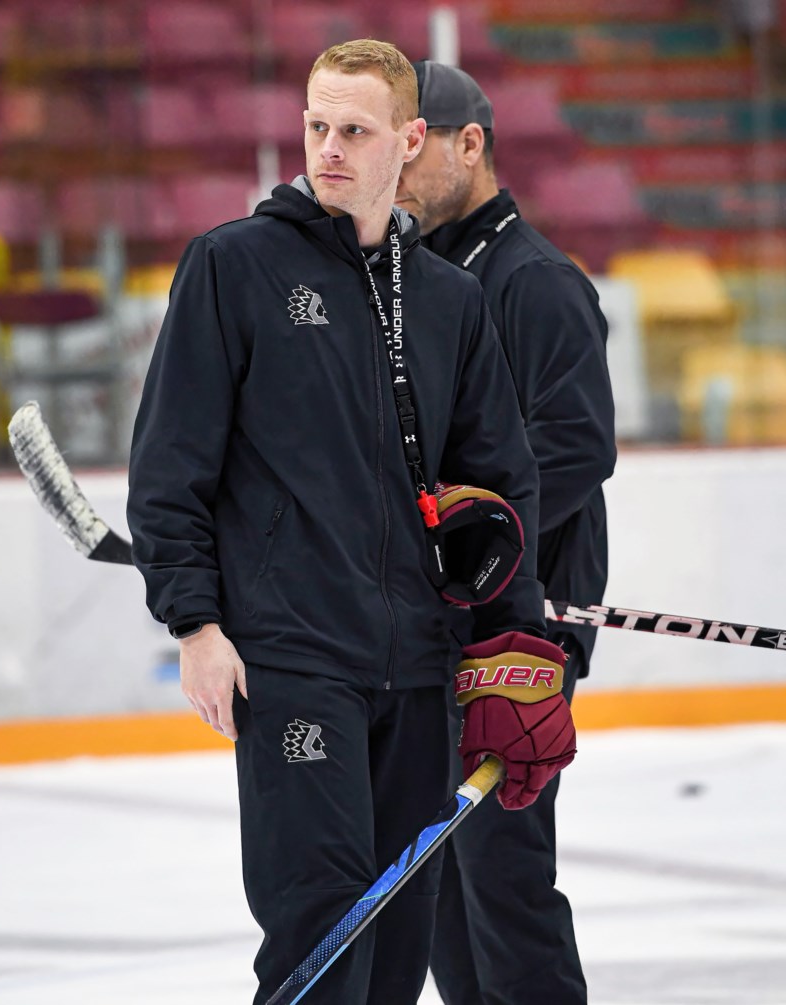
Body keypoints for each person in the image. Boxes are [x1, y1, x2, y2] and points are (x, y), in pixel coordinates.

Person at [128, 40, 576, 1005]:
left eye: (355, 131)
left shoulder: (452, 301)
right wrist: (194, 626)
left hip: (418, 669)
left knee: (401, 943)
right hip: (294, 660)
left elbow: (502, 486)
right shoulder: (232, 268)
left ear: (408, 140)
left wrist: (515, 642)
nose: (328, 148)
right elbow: (170, 466)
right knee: (322, 930)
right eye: (316, 127)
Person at [396, 61, 618, 1005]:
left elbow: (578, 445)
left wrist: (469, 535)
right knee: (442, 883)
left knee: (504, 881)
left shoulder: (533, 283)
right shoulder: (431, 282)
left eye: (414, 153)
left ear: (470, 145)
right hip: (447, 624)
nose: (395, 176)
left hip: (517, 630)